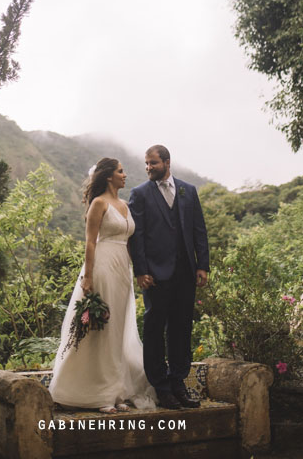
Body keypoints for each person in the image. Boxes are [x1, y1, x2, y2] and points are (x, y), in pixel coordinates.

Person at [49, 158, 156, 413]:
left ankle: (116, 390)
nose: (125, 175)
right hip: (103, 267)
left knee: (118, 330)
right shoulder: (99, 203)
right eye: (120, 171)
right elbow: (90, 242)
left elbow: (130, 243)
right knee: (101, 330)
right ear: (108, 176)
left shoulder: (125, 205)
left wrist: (139, 272)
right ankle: (98, 394)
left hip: (122, 271)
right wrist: (88, 276)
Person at [128, 145, 209, 410]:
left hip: (186, 272)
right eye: (146, 164)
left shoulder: (189, 190)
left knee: (181, 329)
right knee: (154, 330)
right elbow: (136, 237)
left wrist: (202, 266)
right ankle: (161, 388)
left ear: (167, 162)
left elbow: (199, 230)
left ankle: (178, 384)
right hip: (155, 275)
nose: (149, 168)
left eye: (153, 163)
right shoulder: (139, 194)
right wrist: (141, 271)